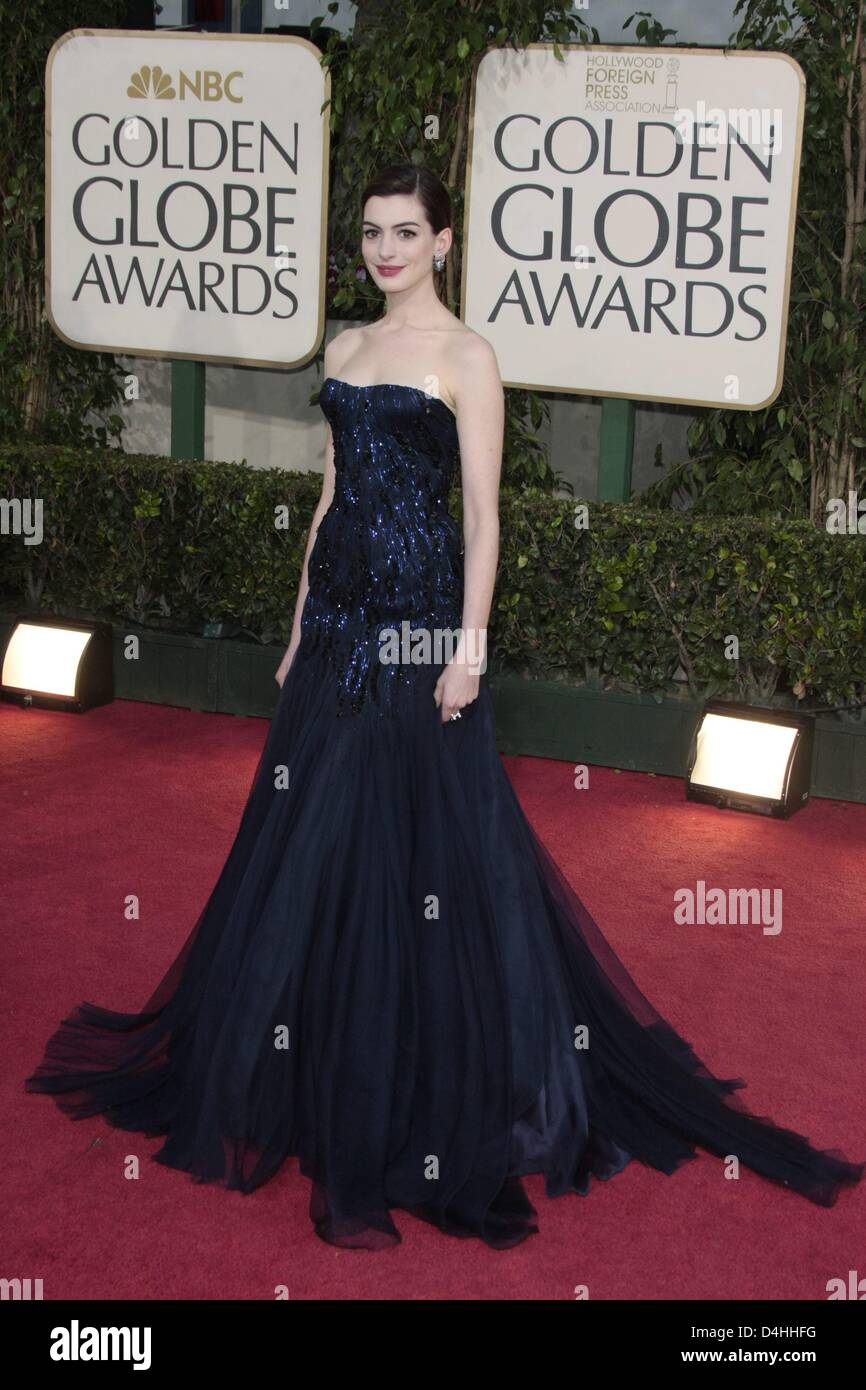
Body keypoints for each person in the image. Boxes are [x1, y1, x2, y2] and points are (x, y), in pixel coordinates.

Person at [25, 164, 864, 1251]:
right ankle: (299, 1054)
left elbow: (481, 518)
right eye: (371, 233)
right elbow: (329, 495)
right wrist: (290, 631)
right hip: (333, 631)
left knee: (420, 858)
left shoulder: (468, 358)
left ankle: (424, 1078)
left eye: (405, 232)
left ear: (444, 240)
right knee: (307, 847)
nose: (385, 251)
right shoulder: (341, 350)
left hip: (421, 640)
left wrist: (467, 648)